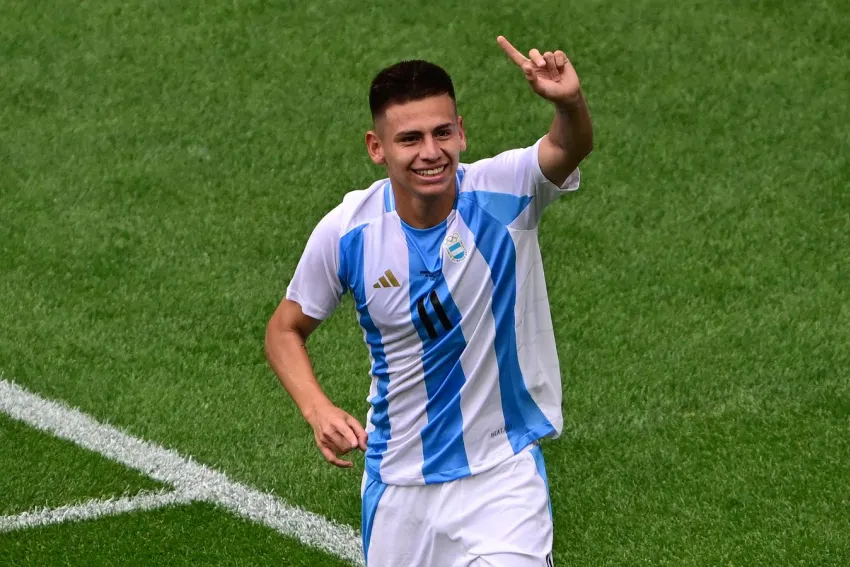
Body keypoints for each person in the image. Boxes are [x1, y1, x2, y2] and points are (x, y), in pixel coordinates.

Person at [265, 35, 593, 567]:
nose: (431, 152)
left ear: (461, 131)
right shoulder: (349, 232)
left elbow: (567, 148)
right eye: (409, 139)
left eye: (442, 132)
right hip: (399, 489)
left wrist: (569, 102)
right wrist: (317, 408)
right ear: (377, 148)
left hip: (501, 476)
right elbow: (284, 329)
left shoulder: (504, 193)